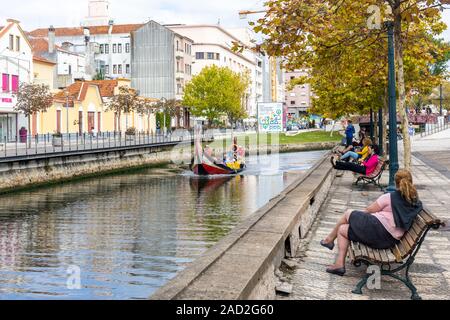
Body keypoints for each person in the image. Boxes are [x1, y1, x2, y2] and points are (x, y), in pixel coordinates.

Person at [320, 169, 423, 276]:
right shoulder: (415, 202)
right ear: (411, 181)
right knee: (342, 229)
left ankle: (329, 240)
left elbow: (369, 210)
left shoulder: (389, 197)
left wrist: (359, 218)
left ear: (395, 182)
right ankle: (339, 264)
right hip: (390, 240)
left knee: (348, 214)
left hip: (378, 233)